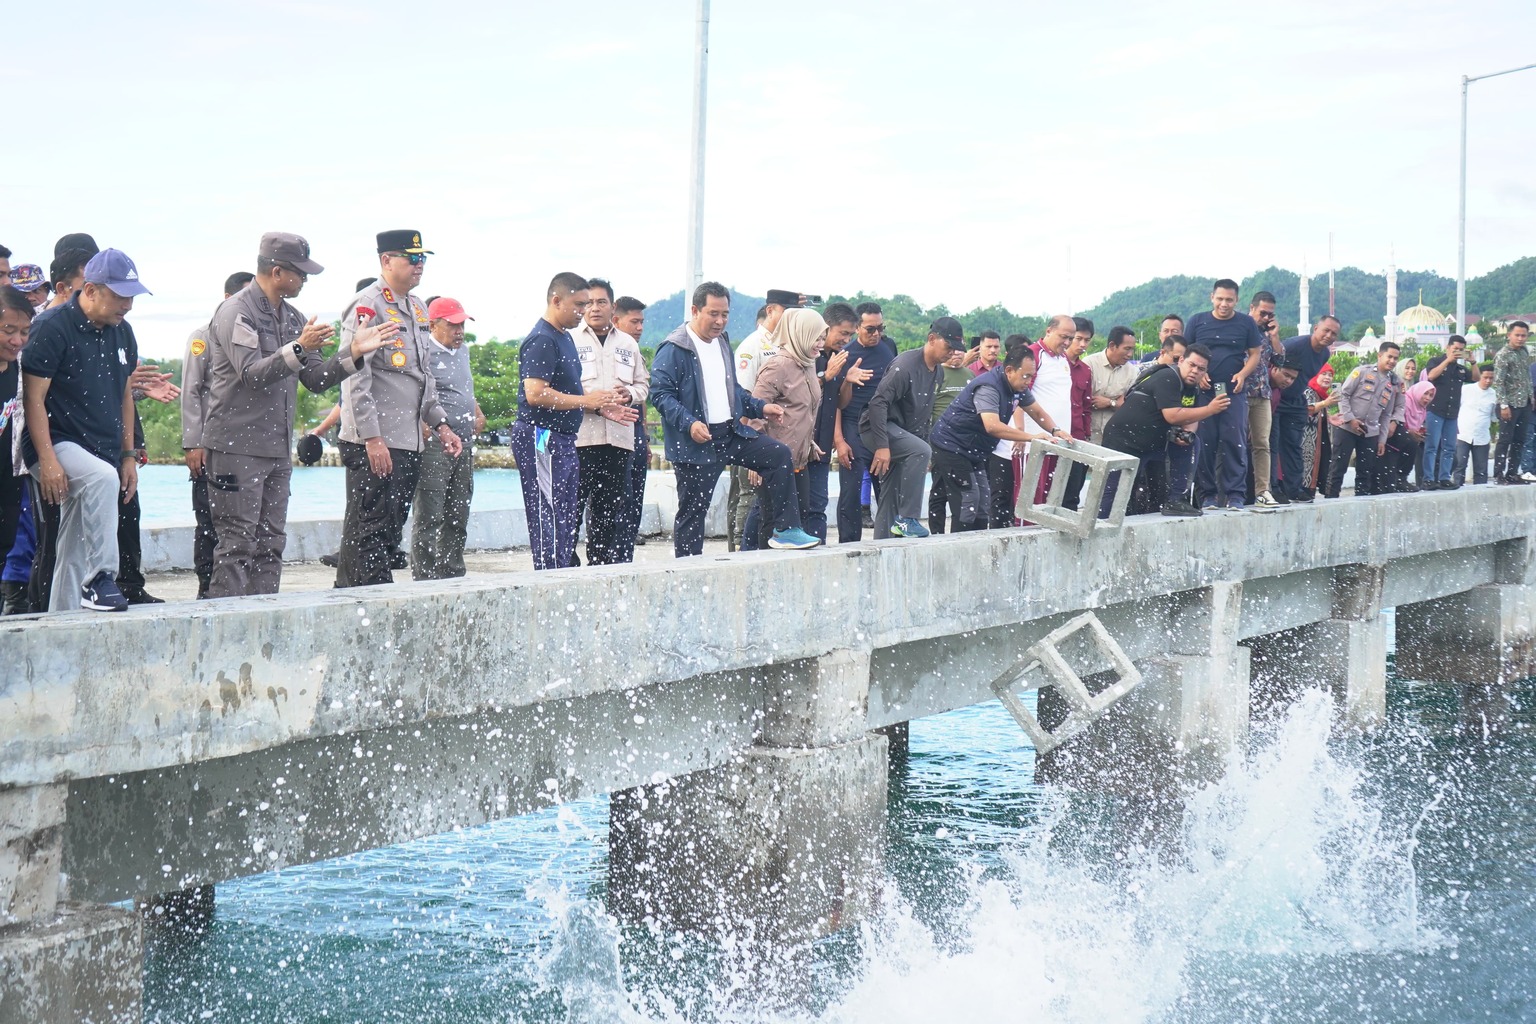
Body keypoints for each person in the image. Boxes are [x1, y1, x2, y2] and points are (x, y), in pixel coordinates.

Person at [204, 235, 391, 598]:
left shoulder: (293, 319)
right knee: (237, 545)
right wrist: (300, 346)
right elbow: (252, 374)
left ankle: (263, 619)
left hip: (275, 449)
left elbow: (316, 379)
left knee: (271, 543)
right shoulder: (235, 312)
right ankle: (224, 630)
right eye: (301, 273)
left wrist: (353, 352)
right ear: (277, 272)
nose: (306, 280)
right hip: (236, 447)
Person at [649, 281, 820, 556]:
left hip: (730, 434)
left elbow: (734, 391)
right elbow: (660, 395)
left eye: (725, 314)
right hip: (696, 443)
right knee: (693, 512)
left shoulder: (722, 342)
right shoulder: (674, 348)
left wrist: (761, 408)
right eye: (713, 314)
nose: (720, 321)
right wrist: (689, 423)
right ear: (695, 310)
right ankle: (687, 568)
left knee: (778, 455)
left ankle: (786, 529)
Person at [19, 249, 148, 612]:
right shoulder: (52, 326)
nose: (128, 305)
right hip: (56, 441)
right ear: (90, 290)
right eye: (120, 296)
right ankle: (102, 577)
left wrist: (128, 455)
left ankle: (61, 618)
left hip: (102, 448)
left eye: (132, 297)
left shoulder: (123, 332)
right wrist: (46, 460)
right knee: (100, 480)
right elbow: (33, 398)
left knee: (74, 539)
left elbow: (125, 395)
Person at [337, 230, 463, 586]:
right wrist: (372, 438)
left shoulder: (417, 307)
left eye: (423, 259)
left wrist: (441, 425)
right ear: (386, 261)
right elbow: (355, 377)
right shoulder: (367, 306)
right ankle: (371, 603)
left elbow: (421, 376)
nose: (419, 265)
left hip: (408, 439)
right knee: (372, 531)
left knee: (388, 530)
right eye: (412, 258)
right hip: (377, 441)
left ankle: (354, 594)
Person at [511, 272, 622, 570]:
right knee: (547, 511)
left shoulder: (565, 337)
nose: (583, 311)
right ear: (556, 300)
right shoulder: (542, 339)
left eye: (586, 304)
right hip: (541, 435)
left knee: (564, 511)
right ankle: (548, 577)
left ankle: (559, 572)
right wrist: (587, 401)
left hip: (562, 437)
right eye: (578, 304)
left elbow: (566, 391)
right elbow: (535, 394)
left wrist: (597, 405)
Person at [929, 346, 1071, 532]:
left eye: (1031, 376)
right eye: (1026, 376)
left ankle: (978, 542)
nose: (1029, 381)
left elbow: (1036, 411)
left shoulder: (1018, 387)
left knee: (982, 501)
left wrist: (1055, 430)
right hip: (951, 445)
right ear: (1009, 370)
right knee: (968, 500)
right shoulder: (989, 387)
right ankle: (960, 545)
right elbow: (992, 426)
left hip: (973, 449)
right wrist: (1031, 437)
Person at [180, 270, 255, 598]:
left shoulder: (258, 336)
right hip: (212, 447)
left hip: (249, 447)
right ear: (228, 300)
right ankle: (206, 587)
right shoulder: (203, 337)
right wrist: (193, 442)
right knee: (210, 522)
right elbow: (191, 392)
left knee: (247, 524)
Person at [861, 317, 965, 539]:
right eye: (949, 346)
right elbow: (877, 404)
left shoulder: (937, 371)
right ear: (931, 339)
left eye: (956, 349)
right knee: (919, 450)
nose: (952, 353)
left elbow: (923, 415)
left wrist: (922, 446)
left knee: (890, 495)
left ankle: (882, 548)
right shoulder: (905, 366)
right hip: (877, 427)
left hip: (901, 434)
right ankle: (907, 519)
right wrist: (882, 446)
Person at [1099, 344, 1231, 516]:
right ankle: (1100, 525)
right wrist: (1211, 409)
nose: (1195, 371)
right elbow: (1173, 416)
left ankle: (1177, 500)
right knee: (1115, 494)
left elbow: (1191, 417)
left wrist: (1188, 433)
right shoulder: (1167, 377)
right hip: (1124, 440)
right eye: (1192, 365)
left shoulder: (1192, 388)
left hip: (1152, 442)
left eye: (1201, 369)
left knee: (1191, 443)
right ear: (1181, 360)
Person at [572, 279, 648, 565]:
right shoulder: (570, 339)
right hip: (582, 439)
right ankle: (567, 567)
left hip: (619, 440)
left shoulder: (628, 343)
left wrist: (629, 394)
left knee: (610, 511)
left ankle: (601, 566)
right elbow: (563, 389)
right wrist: (594, 401)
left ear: (612, 307)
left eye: (601, 302)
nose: (594, 308)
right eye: (588, 302)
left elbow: (643, 386)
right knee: (573, 507)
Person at [743, 308, 830, 548]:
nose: (820, 344)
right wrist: (755, 459)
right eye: (816, 338)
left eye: (823, 338)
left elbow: (803, 411)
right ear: (800, 335)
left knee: (798, 521)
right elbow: (756, 411)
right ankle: (758, 570)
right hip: (774, 460)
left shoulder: (808, 364)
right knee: (770, 521)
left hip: (799, 458)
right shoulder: (778, 366)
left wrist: (808, 441)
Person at [412, 297, 485, 579]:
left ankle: (452, 570)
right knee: (430, 513)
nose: (459, 330)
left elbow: (464, 389)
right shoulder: (424, 352)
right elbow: (416, 393)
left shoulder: (463, 350)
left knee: (458, 512)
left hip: (465, 444)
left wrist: (477, 411)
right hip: (435, 446)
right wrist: (422, 421)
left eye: (462, 324)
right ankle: (425, 575)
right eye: (453, 325)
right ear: (433, 325)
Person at [1186, 279, 1263, 510]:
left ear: (1236, 300)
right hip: (1205, 392)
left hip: (1234, 391)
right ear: (1212, 297)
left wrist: (1243, 374)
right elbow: (1187, 353)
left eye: (1229, 299)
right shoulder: (1197, 321)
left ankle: (1235, 495)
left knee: (1234, 441)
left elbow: (1255, 354)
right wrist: (1199, 375)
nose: (1224, 304)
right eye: (1220, 298)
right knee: (1204, 443)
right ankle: (1207, 495)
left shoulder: (1246, 323)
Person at [833, 301, 896, 543]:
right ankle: (848, 544)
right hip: (852, 422)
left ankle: (890, 540)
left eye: (880, 328)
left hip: (881, 424)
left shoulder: (888, 347)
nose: (876, 334)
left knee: (887, 485)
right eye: (870, 329)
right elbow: (835, 402)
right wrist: (839, 441)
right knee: (851, 489)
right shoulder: (846, 354)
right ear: (857, 327)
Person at [1272, 316, 1340, 503]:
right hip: (1277, 398)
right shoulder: (1294, 345)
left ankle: (1294, 489)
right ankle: (1273, 488)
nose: (1328, 335)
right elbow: (1272, 361)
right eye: (1325, 330)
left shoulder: (1324, 354)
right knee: (1272, 445)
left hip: (1296, 401)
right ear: (1315, 327)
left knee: (1294, 445)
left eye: (1333, 333)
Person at [1325, 341, 1404, 498]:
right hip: (1346, 428)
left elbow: (1386, 414)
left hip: (1370, 433)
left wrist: (1381, 440)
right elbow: (1343, 394)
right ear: (1379, 355)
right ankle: (1330, 501)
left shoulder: (1393, 383)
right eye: (1389, 357)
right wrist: (1350, 419)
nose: (1392, 361)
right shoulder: (1361, 372)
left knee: (1365, 473)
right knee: (1337, 469)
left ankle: (1360, 503)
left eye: (1396, 358)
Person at [806, 303, 857, 541]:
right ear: (827, 327)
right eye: (843, 333)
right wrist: (825, 376)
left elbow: (840, 403)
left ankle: (817, 551)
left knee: (818, 504)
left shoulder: (838, 357)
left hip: (822, 444)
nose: (847, 339)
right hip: (799, 443)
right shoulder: (806, 355)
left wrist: (847, 381)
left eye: (850, 334)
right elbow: (796, 396)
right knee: (783, 505)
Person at [0, 287, 32, 604]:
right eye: (8, 330)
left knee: (5, 547)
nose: (17, 340)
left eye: (24, 332)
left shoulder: (19, 371)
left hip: (8, 483)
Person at [612, 295, 651, 557]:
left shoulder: (634, 352)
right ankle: (612, 556)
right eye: (634, 321)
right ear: (616, 320)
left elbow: (642, 395)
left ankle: (627, 555)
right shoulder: (610, 352)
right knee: (615, 502)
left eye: (642, 322)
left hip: (636, 435)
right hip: (614, 437)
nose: (639, 328)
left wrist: (646, 439)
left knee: (634, 500)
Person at [927, 338, 976, 534]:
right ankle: (937, 532)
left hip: (964, 444)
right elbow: (927, 409)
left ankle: (960, 532)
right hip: (940, 443)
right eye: (952, 350)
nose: (956, 354)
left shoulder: (970, 375)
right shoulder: (936, 373)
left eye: (960, 350)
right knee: (939, 491)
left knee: (962, 492)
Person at [1244, 292, 1285, 507]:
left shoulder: (1267, 334)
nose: (1266, 318)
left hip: (1262, 395)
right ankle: (1234, 491)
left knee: (1262, 444)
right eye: (1263, 313)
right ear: (1252, 308)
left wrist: (1275, 335)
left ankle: (1263, 490)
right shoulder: (1240, 327)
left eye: (1270, 314)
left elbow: (1280, 359)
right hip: (1240, 392)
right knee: (1235, 443)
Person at [1420, 336, 1476, 489]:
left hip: (1452, 413)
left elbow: (1476, 377)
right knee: (1431, 446)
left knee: (1450, 447)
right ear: (1447, 347)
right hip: (1435, 410)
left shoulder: (1460, 369)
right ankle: (1428, 479)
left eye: (1460, 350)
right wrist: (1447, 360)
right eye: (1455, 349)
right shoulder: (1435, 361)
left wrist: (1472, 362)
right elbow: (1431, 376)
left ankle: (1444, 478)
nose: (1457, 352)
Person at [1084, 326, 1139, 445]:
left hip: (1115, 436)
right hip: (1088, 435)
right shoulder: (1089, 364)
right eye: (1127, 349)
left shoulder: (1132, 372)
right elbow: (1084, 400)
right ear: (1112, 345)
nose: (1130, 354)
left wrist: (1109, 403)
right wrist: (1116, 403)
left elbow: (1131, 406)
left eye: (1132, 349)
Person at [1492, 321, 1532, 485]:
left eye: (1523, 335)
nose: (1521, 338)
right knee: (1505, 440)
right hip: (1509, 404)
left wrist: (1531, 398)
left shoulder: (1523, 352)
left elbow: (1526, 377)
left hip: (1524, 403)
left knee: (1520, 440)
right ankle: (1499, 474)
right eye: (1517, 335)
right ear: (1509, 335)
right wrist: (1503, 405)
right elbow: (1498, 382)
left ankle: (1513, 473)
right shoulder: (1503, 355)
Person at [1383, 381, 1435, 492]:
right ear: (1418, 392)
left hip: (1404, 440)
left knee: (1413, 444)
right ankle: (1397, 481)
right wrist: (1410, 432)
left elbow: (1413, 427)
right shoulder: (1406, 400)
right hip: (1391, 438)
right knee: (1409, 443)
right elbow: (1397, 419)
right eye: (1425, 393)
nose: (1428, 398)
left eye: (1431, 395)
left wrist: (1416, 433)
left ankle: (1401, 479)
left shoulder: (1422, 409)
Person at [1299, 363, 1339, 497]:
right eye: (1324, 374)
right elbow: (1306, 409)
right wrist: (1325, 404)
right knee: (1305, 469)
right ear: (1316, 375)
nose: (1327, 378)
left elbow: (1319, 414)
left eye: (1330, 375)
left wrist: (1330, 418)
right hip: (1305, 442)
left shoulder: (1321, 395)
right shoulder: (1308, 390)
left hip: (1318, 442)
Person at [1454, 363, 1497, 486]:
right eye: (1485, 377)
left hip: (1482, 436)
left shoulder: (1494, 394)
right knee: (1459, 466)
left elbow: (1494, 417)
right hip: (1463, 434)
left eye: (1491, 378)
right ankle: (1457, 491)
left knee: (1481, 470)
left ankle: (1481, 496)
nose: (1488, 381)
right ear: (1480, 377)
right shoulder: (1466, 390)